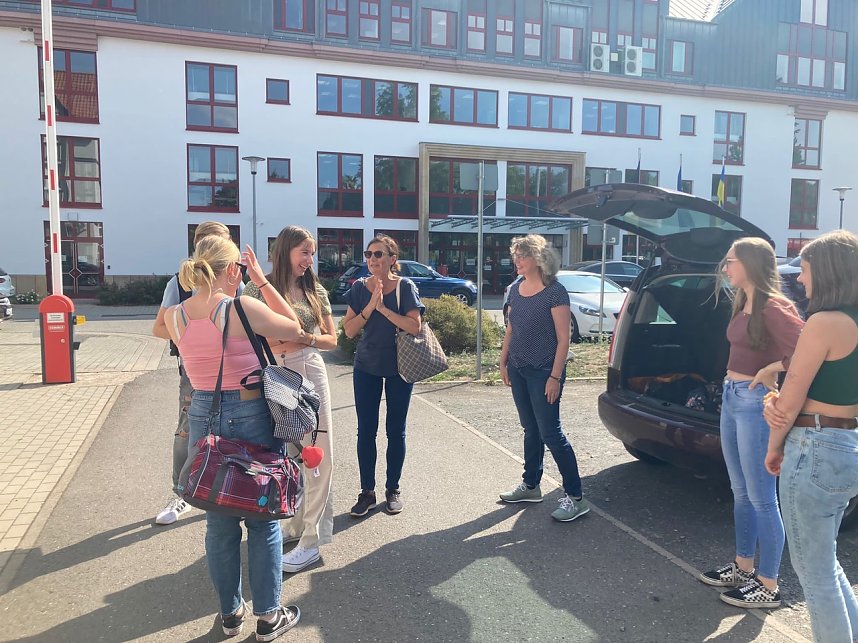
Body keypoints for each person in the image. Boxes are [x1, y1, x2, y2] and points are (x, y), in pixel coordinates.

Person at [165, 236, 304, 640]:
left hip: (203, 416)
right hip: (250, 412)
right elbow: (294, 326)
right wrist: (261, 282)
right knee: (263, 519)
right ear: (232, 270)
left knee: (219, 520)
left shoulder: (176, 316)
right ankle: (268, 616)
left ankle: (230, 613)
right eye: (240, 270)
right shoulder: (241, 306)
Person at [698, 237, 804, 609]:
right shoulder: (744, 302)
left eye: (730, 261)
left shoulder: (776, 306)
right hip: (732, 396)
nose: (725, 268)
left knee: (761, 496)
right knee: (740, 490)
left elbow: (808, 353)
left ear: (750, 264)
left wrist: (770, 369)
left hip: (755, 402)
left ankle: (769, 585)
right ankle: (744, 567)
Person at [764, 230, 858, 642]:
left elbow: (789, 400)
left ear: (826, 272)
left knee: (814, 574)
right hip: (847, 444)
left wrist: (773, 438)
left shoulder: (823, 322)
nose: (800, 280)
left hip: (813, 447)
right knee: (827, 564)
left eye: (804, 270)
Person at [243, 226, 336, 574]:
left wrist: (304, 339)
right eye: (304, 252)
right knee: (292, 454)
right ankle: (295, 523)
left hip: (308, 370)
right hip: (273, 372)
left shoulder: (315, 291)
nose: (309, 260)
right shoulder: (256, 287)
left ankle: (312, 539)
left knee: (318, 452)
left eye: (312, 253)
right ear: (285, 252)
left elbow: (332, 339)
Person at [151, 221, 242, 526]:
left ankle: (233, 487)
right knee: (187, 430)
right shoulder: (178, 283)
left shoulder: (236, 281)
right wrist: (193, 334)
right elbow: (159, 328)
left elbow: (247, 322)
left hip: (233, 369)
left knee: (234, 430)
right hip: (196, 372)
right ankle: (181, 492)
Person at [498, 234, 588, 523]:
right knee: (530, 429)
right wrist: (503, 360)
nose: (517, 260)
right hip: (519, 368)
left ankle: (575, 497)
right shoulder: (515, 289)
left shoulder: (555, 292)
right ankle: (531, 485)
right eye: (516, 255)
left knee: (551, 433)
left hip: (544, 372)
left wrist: (555, 377)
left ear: (537, 258)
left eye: (522, 255)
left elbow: (564, 339)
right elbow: (511, 329)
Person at [342, 234, 424, 517]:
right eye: (369, 254)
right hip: (366, 367)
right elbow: (350, 330)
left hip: (400, 368)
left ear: (392, 259)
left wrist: (383, 309)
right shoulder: (358, 289)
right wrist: (369, 306)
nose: (372, 259)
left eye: (379, 254)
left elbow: (414, 327)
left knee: (395, 431)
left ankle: (393, 489)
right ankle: (367, 491)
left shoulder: (405, 287)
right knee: (366, 431)